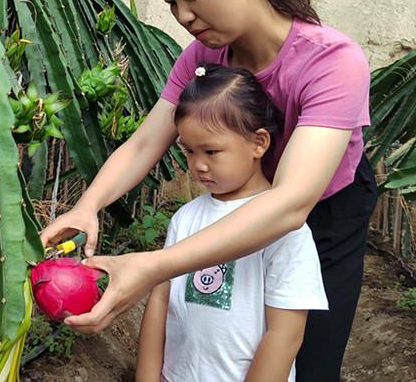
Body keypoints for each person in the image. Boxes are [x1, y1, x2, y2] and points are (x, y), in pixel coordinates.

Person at [41, 0, 378, 382]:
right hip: (238, 199)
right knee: (225, 330)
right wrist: (88, 205)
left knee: (309, 354)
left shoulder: (332, 62)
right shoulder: (203, 55)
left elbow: (291, 203)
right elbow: (144, 144)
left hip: (322, 213)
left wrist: (153, 266)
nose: (183, 15)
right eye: (171, 2)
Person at [136, 63, 328, 382]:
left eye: (211, 151)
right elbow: (160, 299)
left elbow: (285, 335)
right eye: (188, 151)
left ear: (258, 143)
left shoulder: (284, 230)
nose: (198, 165)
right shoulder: (186, 218)